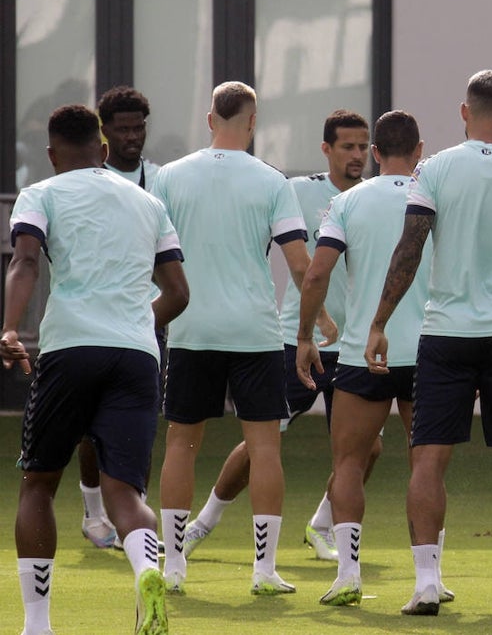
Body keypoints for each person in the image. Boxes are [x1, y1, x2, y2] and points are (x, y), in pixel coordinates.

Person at [366, 70, 492, 617]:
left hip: (446, 333)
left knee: (428, 459)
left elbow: (409, 248)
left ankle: (427, 584)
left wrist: (379, 321)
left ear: (463, 112)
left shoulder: (433, 170)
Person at [3, 104, 189, 635]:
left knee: (38, 483)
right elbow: (178, 293)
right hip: (136, 353)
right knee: (125, 493)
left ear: (51, 156)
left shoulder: (41, 194)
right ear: (105, 150)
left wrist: (11, 329)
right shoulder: (147, 202)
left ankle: (36, 625)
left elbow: (25, 262)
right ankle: (145, 571)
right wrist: (133, 324)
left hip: (69, 350)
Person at [153, 81, 326, 596]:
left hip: (190, 327)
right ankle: (264, 570)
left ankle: (174, 567)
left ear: (210, 119)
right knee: (265, 447)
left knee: (181, 445)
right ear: (253, 124)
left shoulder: (168, 177)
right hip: (254, 331)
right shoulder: (273, 181)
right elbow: (301, 265)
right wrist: (315, 327)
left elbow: (150, 254)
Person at [179, 110, 367, 562]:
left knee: (368, 446)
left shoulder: (377, 198)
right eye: (348, 146)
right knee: (263, 441)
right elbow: (279, 251)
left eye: (364, 146)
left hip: (356, 344)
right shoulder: (297, 190)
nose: (358, 155)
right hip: (292, 339)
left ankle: (321, 525)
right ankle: (203, 522)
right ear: (326, 149)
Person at [294, 110, 449, 607]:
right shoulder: (435, 198)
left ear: (376, 153)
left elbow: (316, 276)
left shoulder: (346, 201)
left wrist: (304, 335)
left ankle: (348, 575)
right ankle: (429, 577)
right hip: (427, 350)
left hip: (364, 351)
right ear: (419, 150)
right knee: (425, 467)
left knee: (348, 462)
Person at [73, 85, 166, 551]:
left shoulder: (161, 182)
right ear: (104, 134)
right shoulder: (90, 180)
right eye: (123, 129)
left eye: (139, 127)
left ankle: (135, 520)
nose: (133, 136)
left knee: (140, 425)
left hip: (148, 324)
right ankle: (93, 514)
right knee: (93, 428)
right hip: (95, 322)